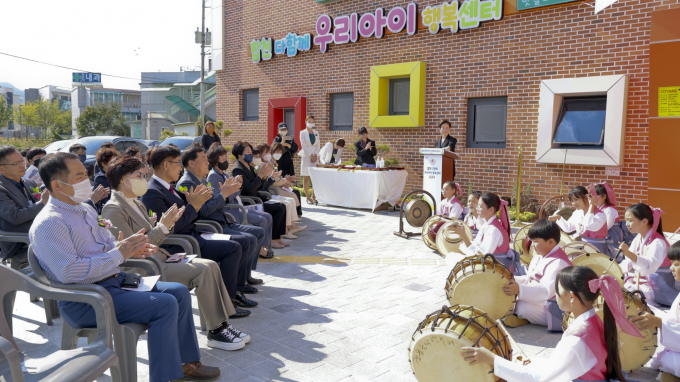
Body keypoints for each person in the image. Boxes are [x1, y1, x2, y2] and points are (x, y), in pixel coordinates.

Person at [29, 152, 221, 382]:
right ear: (57, 185)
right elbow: (69, 272)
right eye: (79, 176)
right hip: (87, 298)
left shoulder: (86, 209)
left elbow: (105, 243)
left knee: (178, 292)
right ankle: (165, 377)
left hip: (112, 284)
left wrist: (127, 247)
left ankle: (187, 363)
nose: (87, 182)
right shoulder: (50, 223)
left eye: (86, 174)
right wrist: (119, 253)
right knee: (165, 304)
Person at [101, 156, 251, 353]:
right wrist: (163, 227)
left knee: (210, 265)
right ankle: (216, 331)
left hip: (159, 257)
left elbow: (154, 236)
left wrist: (166, 225)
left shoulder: (136, 203)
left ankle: (221, 324)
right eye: (139, 175)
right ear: (122, 179)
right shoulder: (113, 208)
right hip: (144, 268)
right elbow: (133, 248)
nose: (143, 179)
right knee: (203, 270)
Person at [462, 266, 642, 382]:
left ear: (571, 297)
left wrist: (492, 359)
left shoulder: (578, 338)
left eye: (558, 291)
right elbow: (565, 364)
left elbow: (539, 379)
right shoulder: (593, 320)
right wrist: (536, 362)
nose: (555, 295)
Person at [141, 145, 258, 309]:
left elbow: (191, 211)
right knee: (233, 248)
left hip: (194, 235)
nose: (180, 167)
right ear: (166, 165)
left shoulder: (169, 187)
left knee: (240, 244)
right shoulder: (153, 192)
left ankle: (233, 293)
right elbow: (169, 228)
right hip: (180, 243)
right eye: (176, 162)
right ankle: (227, 302)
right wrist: (194, 206)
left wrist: (198, 203)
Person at [177, 144, 266, 287]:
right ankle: (237, 286)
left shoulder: (201, 180)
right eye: (203, 159)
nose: (207, 162)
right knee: (245, 240)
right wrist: (223, 194)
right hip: (211, 227)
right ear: (191, 163)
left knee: (254, 235)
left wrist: (228, 191)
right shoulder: (188, 183)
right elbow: (203, 211)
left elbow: (217, 202)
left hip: (222, 222)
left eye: (207, 158)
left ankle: (242, 279)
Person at [502, 219, 573, 331]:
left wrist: (519, 289)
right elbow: (530, 279)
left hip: (553, 308)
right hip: (539, 301)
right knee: (511, 297)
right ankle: (523, 317)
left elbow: (545, 292)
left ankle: (524, 317)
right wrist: (510, 279)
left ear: (551, 242)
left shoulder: (559, 263)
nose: (532, 244)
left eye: (535, 241)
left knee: (522, 306)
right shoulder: (539, 256)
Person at [206, 144, 275, 257]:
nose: (226, 161)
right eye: (223, 159)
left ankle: (263, 246)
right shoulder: (214, 176)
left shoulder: (225, 173)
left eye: (226, 158)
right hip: (232, 210)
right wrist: (233, 188)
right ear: (215, 161)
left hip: (239, 206)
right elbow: (221, 198)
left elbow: (235, 192)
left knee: (267, 216)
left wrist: (238, 185)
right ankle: (260, 250)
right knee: (261, 220)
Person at [631, 241, 680, 381]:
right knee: (662, 356)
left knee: (668, 359)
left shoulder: (658, 242)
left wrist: (659, 322)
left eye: (676, 264)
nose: (671, 268)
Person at [231, 141, 289, 248]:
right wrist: (259, 176)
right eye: (247, 152)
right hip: (249, 201)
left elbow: (261, 187)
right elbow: (249, 188)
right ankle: (272, 240)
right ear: (239, 154)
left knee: (281, 206)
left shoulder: (250, 168)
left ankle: (277, 237)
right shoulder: (237, 170)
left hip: (257, 198)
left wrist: (265, 177)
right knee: (277, 209)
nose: (250, 154)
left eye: (250, 151)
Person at [0, 145, 50, 263]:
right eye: (16, 163)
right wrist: (43, 202)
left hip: (40, 232)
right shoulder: (1, 189)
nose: (22, 165)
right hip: (18, 242)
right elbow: (15, 217)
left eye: (22, 160)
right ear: (2, 169)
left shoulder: (28, 182)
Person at [619, 203, 674, 307]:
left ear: (644, 221)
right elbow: (628, 262)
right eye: (626, 220)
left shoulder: (658, 242)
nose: (627, 224)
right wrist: (615, 270)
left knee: (626, 295)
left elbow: (649, 268)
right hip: (644, 283)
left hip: (658, 288)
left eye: (630, 220)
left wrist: (629, 254)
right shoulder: (638, 238)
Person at [449, 193, 520, 273]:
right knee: (450, 256)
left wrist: (464, 235)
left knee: (452, 259)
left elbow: (482, 256)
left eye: (480, 206)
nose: (477, 208)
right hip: (490, 265)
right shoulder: (487, 225)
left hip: (496, 270)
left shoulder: (493, 230)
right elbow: (477, 247)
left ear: (491, 209)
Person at [252, 148, 305, 237]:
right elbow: (259, 186)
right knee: (285, 203)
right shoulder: (259, 168)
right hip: (268, 193)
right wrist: (280, 179)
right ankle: (284, 231)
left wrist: (279, 178)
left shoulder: (268, 164)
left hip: (269, 192)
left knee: (290, 200)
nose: (257, 158)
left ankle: (291, 226)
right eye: (255, 156)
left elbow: (266, 182)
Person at [550, 186, 608, 255]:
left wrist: (592, 204)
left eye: (576, 199)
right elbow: (569, 227)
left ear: (586, 197)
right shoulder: (578, 213)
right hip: (583, 247)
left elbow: (590, 225)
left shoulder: (600, 215)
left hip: (598, 248)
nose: (574, 203)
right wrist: (559, 218)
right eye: (572, 201)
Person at [270, 142, 303, 218]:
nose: (279, 153)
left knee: (295, 191)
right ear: (272, 151)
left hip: (279, 184)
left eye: (280, 152)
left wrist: (287, 178)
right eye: (277, 151)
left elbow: (278, 176)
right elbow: (273, 178)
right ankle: (294, 217)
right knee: (293, 193)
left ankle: (297, 214)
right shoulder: (270, 162)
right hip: (274, 188)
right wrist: (285, 180)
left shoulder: (275, 162)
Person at [299, 115, 320, 205]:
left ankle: (314, 196)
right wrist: (310, 155)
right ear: (306, 122)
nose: (311, 123)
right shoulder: (302, 133)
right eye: (309, 121)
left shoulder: (316, 132)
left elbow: (318, 145)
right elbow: (303, 146)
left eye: (312, 121)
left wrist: (315, 155)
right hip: (306, 156)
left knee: (315, 177)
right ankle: (308, 197)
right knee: (306, 177)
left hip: (315, 156)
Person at [92, 148, 118, 214]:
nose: (116, 164)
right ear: (104, 164)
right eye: (113, 162)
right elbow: (108, 200)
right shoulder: (101, 178)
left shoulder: (114, 174)